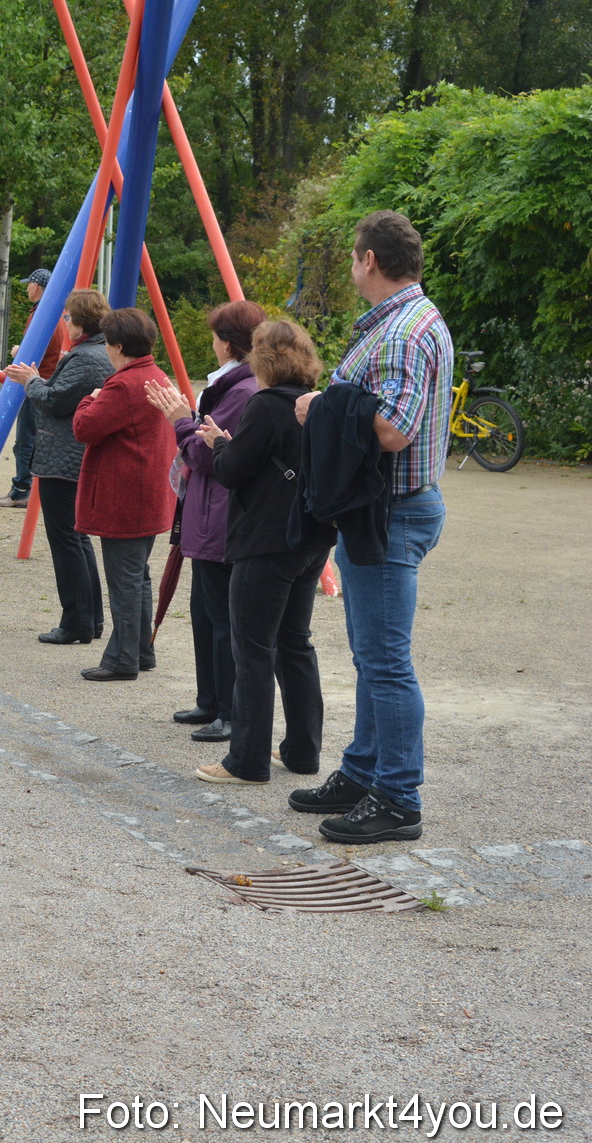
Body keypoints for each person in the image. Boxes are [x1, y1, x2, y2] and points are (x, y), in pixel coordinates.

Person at [287, 211, 453, 843]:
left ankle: (399, 798)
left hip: (392, 514)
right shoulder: (410, 319)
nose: (353, 268)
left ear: (370, 261)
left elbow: (392, 430)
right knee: (370, 656)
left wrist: (322, 406)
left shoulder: (403, 332)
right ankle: (363, 771)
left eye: (354, 259)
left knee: (384, 662)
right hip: (386, 510)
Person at [168, 321, 338, 787]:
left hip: (265, 539)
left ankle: (246, 760)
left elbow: (231, 472)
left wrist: (218, 442)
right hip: (310, 538)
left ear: (264, 360)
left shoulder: (265, 406)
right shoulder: (315, 402)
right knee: (295, 643)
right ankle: (303, 750)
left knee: (253, 649)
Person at [147, 300, 265, 742]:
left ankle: (228, 711)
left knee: (222, 619)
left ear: (227, 343)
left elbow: (208, 454)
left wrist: (179, 421)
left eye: (215, 336)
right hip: (206, 513)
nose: (211, 344)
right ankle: (210, 699)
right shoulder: (231, 386)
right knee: (203, 612)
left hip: (221, 517)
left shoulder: (241, 391)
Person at [71, 307, 174, 681]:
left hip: (124, 497)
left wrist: (89, 398)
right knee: (138, 576)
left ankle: (123, 658)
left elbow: (85, 427)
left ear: (116, 346)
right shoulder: (157, 375)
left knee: (125, 580)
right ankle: (140, 650)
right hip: (149, 494)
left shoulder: (123, 384)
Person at [6, 288, 111, 646]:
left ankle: (77, 621)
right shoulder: (97, 352)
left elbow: (54, 400)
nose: (64, 322)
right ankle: (91, 618)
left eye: (67, 317)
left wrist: (31, 382)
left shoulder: (84, 357)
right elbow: (63, 394)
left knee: (67, 542)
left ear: (80, 322)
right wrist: (40, 381)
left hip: (62, 460)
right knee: (78, 539)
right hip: (74, 457)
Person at [0, 268, 69, 509]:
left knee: (25, 439)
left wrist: (19, 352)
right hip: (46, 381)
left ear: (37, 287)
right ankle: (26, 486)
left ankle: (21, 489)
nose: (27, 288)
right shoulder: (56, 314)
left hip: (35, 383)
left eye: (29, 284)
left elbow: (36, 350)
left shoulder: (41, 315)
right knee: (33, 438)